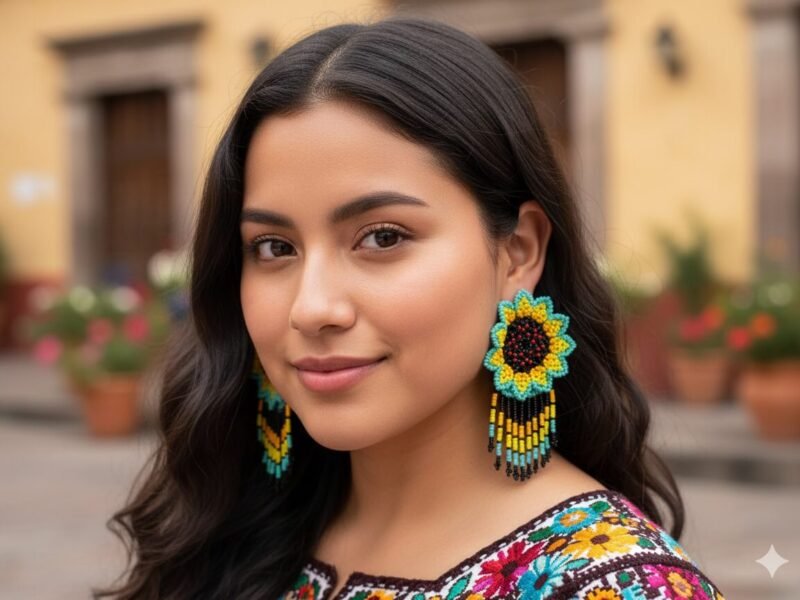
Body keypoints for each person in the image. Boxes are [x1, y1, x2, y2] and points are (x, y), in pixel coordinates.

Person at [95, 16, 726, 600]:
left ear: (518, 252)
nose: (311, 308)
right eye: (273, 247)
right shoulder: (235, 531)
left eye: (382, 237)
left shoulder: (616, 585)